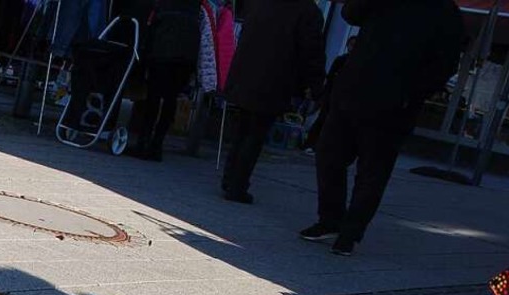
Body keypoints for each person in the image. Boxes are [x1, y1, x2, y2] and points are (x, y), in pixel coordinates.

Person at [300, 0, 463, 256]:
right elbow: (350, 13)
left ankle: (350, 233)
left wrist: (412, 93)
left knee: (372, 173)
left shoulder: (444, 11)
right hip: (353, 91)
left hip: (394, 107)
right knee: (328, 156)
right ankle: (330, 220)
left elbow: (448, 61)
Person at [220, 0, 325, 204]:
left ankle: (229, 179)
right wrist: (315, 86)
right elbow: (311, 53)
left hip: (245, 75)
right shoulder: (307, 11)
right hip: (274, 80)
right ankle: (237, 184)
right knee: (255, 134)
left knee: (242, 130)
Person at [125, 0, 202, 162]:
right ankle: (157, 144)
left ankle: (143, 142)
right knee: (170, 98)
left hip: (163, 44)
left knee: (153, 96)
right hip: (186, 50)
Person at [301, 35, 356, 153]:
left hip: (341, 97)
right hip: (332, 95)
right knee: (323, 120)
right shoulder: (341, 60)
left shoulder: (350, 62)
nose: (351, 48)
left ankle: (318, 145)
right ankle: (311, 144)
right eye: (350, 45)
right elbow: (330, 77)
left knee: (329, 122)